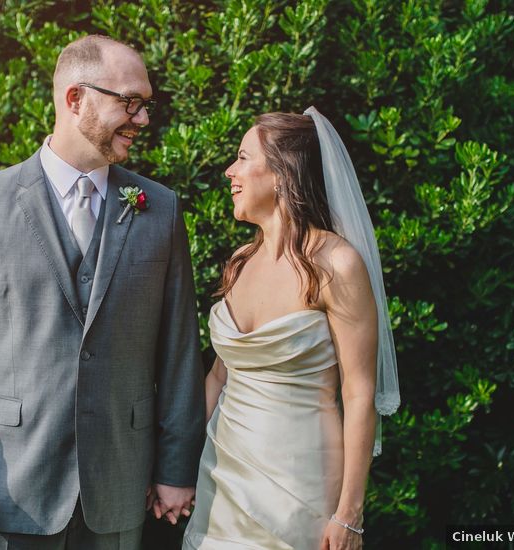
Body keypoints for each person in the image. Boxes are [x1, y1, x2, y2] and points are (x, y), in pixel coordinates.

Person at [0, 35, 206, 549]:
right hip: (9, 485)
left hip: (118, 483)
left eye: (146, 105)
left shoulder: (159, 208)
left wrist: (177, 466)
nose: (142, 119)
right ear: (75, 99)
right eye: (129, 102)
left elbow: (179, 352)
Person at [182, 109, 400, 550]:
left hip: (299, 487)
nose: (230, 171)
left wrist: (350, 514)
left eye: (243, 158)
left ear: (283, 175)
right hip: (221, 478)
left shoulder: (336, 264)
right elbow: (219, 377)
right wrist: (175, 466)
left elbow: (359, 394)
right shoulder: (241, 261)